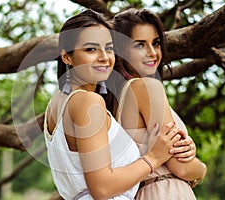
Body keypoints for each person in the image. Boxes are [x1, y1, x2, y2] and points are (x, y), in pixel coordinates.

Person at [43, 9, 185, 200]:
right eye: (91, 49)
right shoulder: (87, 101)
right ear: (67, 57)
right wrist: (154, 157)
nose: (104, 57)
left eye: (109, 48)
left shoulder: (57, 102)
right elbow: (101, 188)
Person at [110, 8, 207, 199]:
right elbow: (182, 167)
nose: (152, 53)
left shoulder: (117, 97)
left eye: (155, 43)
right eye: (139, 45)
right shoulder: (147, 87)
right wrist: (201, 169)